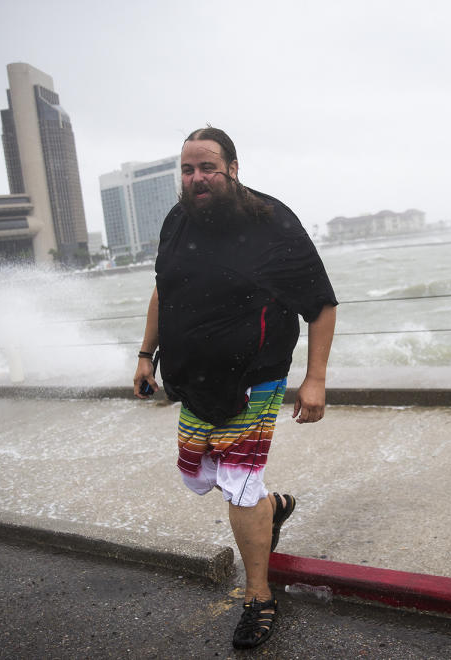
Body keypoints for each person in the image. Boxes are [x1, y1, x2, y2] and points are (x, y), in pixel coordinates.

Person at [133, 126, 337, 649]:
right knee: (201, 475)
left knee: (239, 482)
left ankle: (258, 597)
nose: (196, 177)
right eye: (187, 168)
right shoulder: (177, 220)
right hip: (194, 378)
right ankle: (275, 509)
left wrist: (314, 380)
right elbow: (163, 288)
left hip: (254, 376)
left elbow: (320, 304)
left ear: (233, 168)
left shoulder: (271, 223)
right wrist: (145, 354)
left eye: (207, 167)